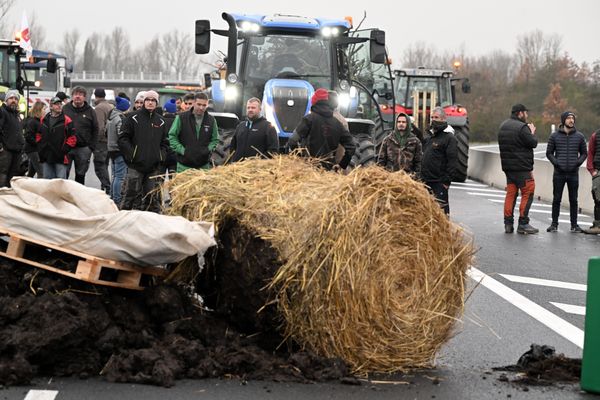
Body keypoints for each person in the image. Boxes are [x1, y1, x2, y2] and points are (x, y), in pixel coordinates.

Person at [117, 90, 170, 212]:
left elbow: (165, 143)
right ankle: (122, 220)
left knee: (151, 198)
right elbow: (123, 139)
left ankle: (151, 224)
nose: (150, 103)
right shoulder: (132, 118)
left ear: (156, 103)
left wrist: (160, 156)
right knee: (130, 195)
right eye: (148, 100)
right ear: (144, 101)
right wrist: (132, 155)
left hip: (152, 167)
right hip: (135, 165)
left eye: (153, 100)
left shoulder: (161, 121)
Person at [289, 88, 355, 171]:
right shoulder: (338, 123)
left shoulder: (309, 119)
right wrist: (342, 164)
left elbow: (292, 141)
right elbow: (352, 146)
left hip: (307, 169)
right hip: (328, 171)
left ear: (313, 102)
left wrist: (300, 158)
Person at [498, 104, 538, 234]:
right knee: (528, 192)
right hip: (522, 168)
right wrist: (531, 132)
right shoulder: (522, 127)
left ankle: (508, 224)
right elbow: (533, 143)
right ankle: (523, 223)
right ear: (520, 113)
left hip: (508, 168)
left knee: (511, 194)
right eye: (526, 113)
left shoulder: (503, 126)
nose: (527, 115)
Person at [545, 111, 587, 233]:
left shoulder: (579, 136)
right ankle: (554, 224)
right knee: (556, 199)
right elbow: (549, 153)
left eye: (573, 118)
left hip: (573, 173)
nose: (571, 120)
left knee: (573, 200)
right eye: (569, 118)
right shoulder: (554, 136)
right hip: (559, 173)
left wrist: (577, 163)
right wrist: (556, 163)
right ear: (564, 120)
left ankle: (574, 225)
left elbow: (584, 153)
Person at [168, 92, 218, 172]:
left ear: (207, 105)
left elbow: (215, 139)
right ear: (194, 103)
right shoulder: (181, 118)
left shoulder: (211, 120)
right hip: (184, 167)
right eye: (199, 104)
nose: (201, 108)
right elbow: (172, 136)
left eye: (204, 105)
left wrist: (208, 150)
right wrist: (183, 151)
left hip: (203, 167)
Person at [420, 107, 457, 214]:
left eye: (436, 117)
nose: (433, 119)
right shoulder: (431, 138)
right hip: (426, 181)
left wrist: (446, 182)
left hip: (439, 183)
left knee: (441, 213)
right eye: (432, 117)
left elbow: (452, 161)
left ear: (443, 119)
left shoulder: (449, 138)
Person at [63, 86, 98, 185]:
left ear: (85, 97)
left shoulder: (90, 111)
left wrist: (91, 147)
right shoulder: (65, 109)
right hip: (66, 148)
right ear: (72, 96)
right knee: (64, 173)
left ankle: (78, 196)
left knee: (80, 174)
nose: (78, 97)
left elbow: (95, 129)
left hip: (83, 148)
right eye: (75, 94)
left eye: (80, 95)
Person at [36, 96, 77, 179]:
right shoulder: (44, 119)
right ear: (51, 106)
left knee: (60, 182)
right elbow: (38, 135)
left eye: (60, 104)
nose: (59, 106)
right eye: (56, 104)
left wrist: (65, 149)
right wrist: (41, 148)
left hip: (60, 157)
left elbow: (72, 137)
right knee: (47, 181)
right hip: (46, 156)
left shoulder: (67, 120)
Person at [229, 98, 279, 162]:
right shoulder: (240, 126)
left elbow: (273, 151)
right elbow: (233, 147)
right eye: (248, 108)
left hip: (257, 169)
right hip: (238, 168)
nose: (250, 110)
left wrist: (257, 162)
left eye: (253, 108)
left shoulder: (268, 127)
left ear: (260, 109)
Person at [107, 96, 130, 205]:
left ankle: (112, 196)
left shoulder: (111, 117)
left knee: (115, 175)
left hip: (111, 149)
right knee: (120, 177)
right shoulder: (120, 118)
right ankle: (117, 199)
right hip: (119, 150)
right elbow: (122, 135)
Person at [0, 90, 25, 187]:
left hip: (16, 151)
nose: (13, 100)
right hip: (5, 151)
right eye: (11, 98)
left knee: (12, 176)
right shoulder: (2, 111)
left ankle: (8, 197)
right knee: (2, 175)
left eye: (15, 99)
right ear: (6, 100)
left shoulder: (16, 114)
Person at [92, 88, 114, 193]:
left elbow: (100, 127)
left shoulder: (99, 108)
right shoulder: (109, 106)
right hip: (109, 140)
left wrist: (96, 141)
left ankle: (107, 186)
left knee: (99, 166)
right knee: (105, 165)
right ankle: (105, 187)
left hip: (101, 142)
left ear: (95, 96)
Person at [23, 101, 47, 178]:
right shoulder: (33, 121)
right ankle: (39, 189)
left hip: (34, 149)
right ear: (39, 110)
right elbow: (28, 135)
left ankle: (25, 188)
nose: (45, 111)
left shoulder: (38, 121)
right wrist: (37, 144)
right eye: (44, 109)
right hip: (33, 150)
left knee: (31, 173)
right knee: (41, 173)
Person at [585, 128, 600, 234]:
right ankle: (597, 225)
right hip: (598, 172)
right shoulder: (596, 135)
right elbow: (590, 153)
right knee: (597, 199)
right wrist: (592, 171)